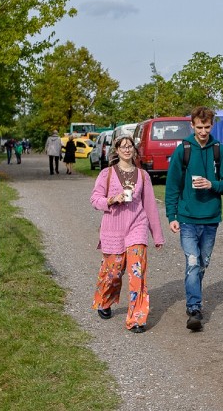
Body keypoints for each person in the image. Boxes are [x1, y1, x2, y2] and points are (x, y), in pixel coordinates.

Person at [165, 106, 223, 332]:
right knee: (193, 262)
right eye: (199, 127)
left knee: (202, 264)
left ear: (212, 126)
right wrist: (171, 215)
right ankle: (194, 308)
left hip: (211, 218)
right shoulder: (183, 150)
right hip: (187, 218)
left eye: (207, 127)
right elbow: (172, 185)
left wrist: (212, 184)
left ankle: (193, 296)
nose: (203, 131)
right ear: (192, 126)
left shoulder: (219, 151)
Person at [90, 136, 165, 332]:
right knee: (113, 272)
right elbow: (95, 199)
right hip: (113, 228)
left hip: (137, 227)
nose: (127, 149)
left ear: (134, 149)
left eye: (130, 146)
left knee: (137, 273)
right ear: (116, 149)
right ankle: (105, 300)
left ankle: (137, 319)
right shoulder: (106, 174)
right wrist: (112, 199)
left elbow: (149, 206)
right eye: (123, 146)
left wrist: (157, 235)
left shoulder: (142, 176)